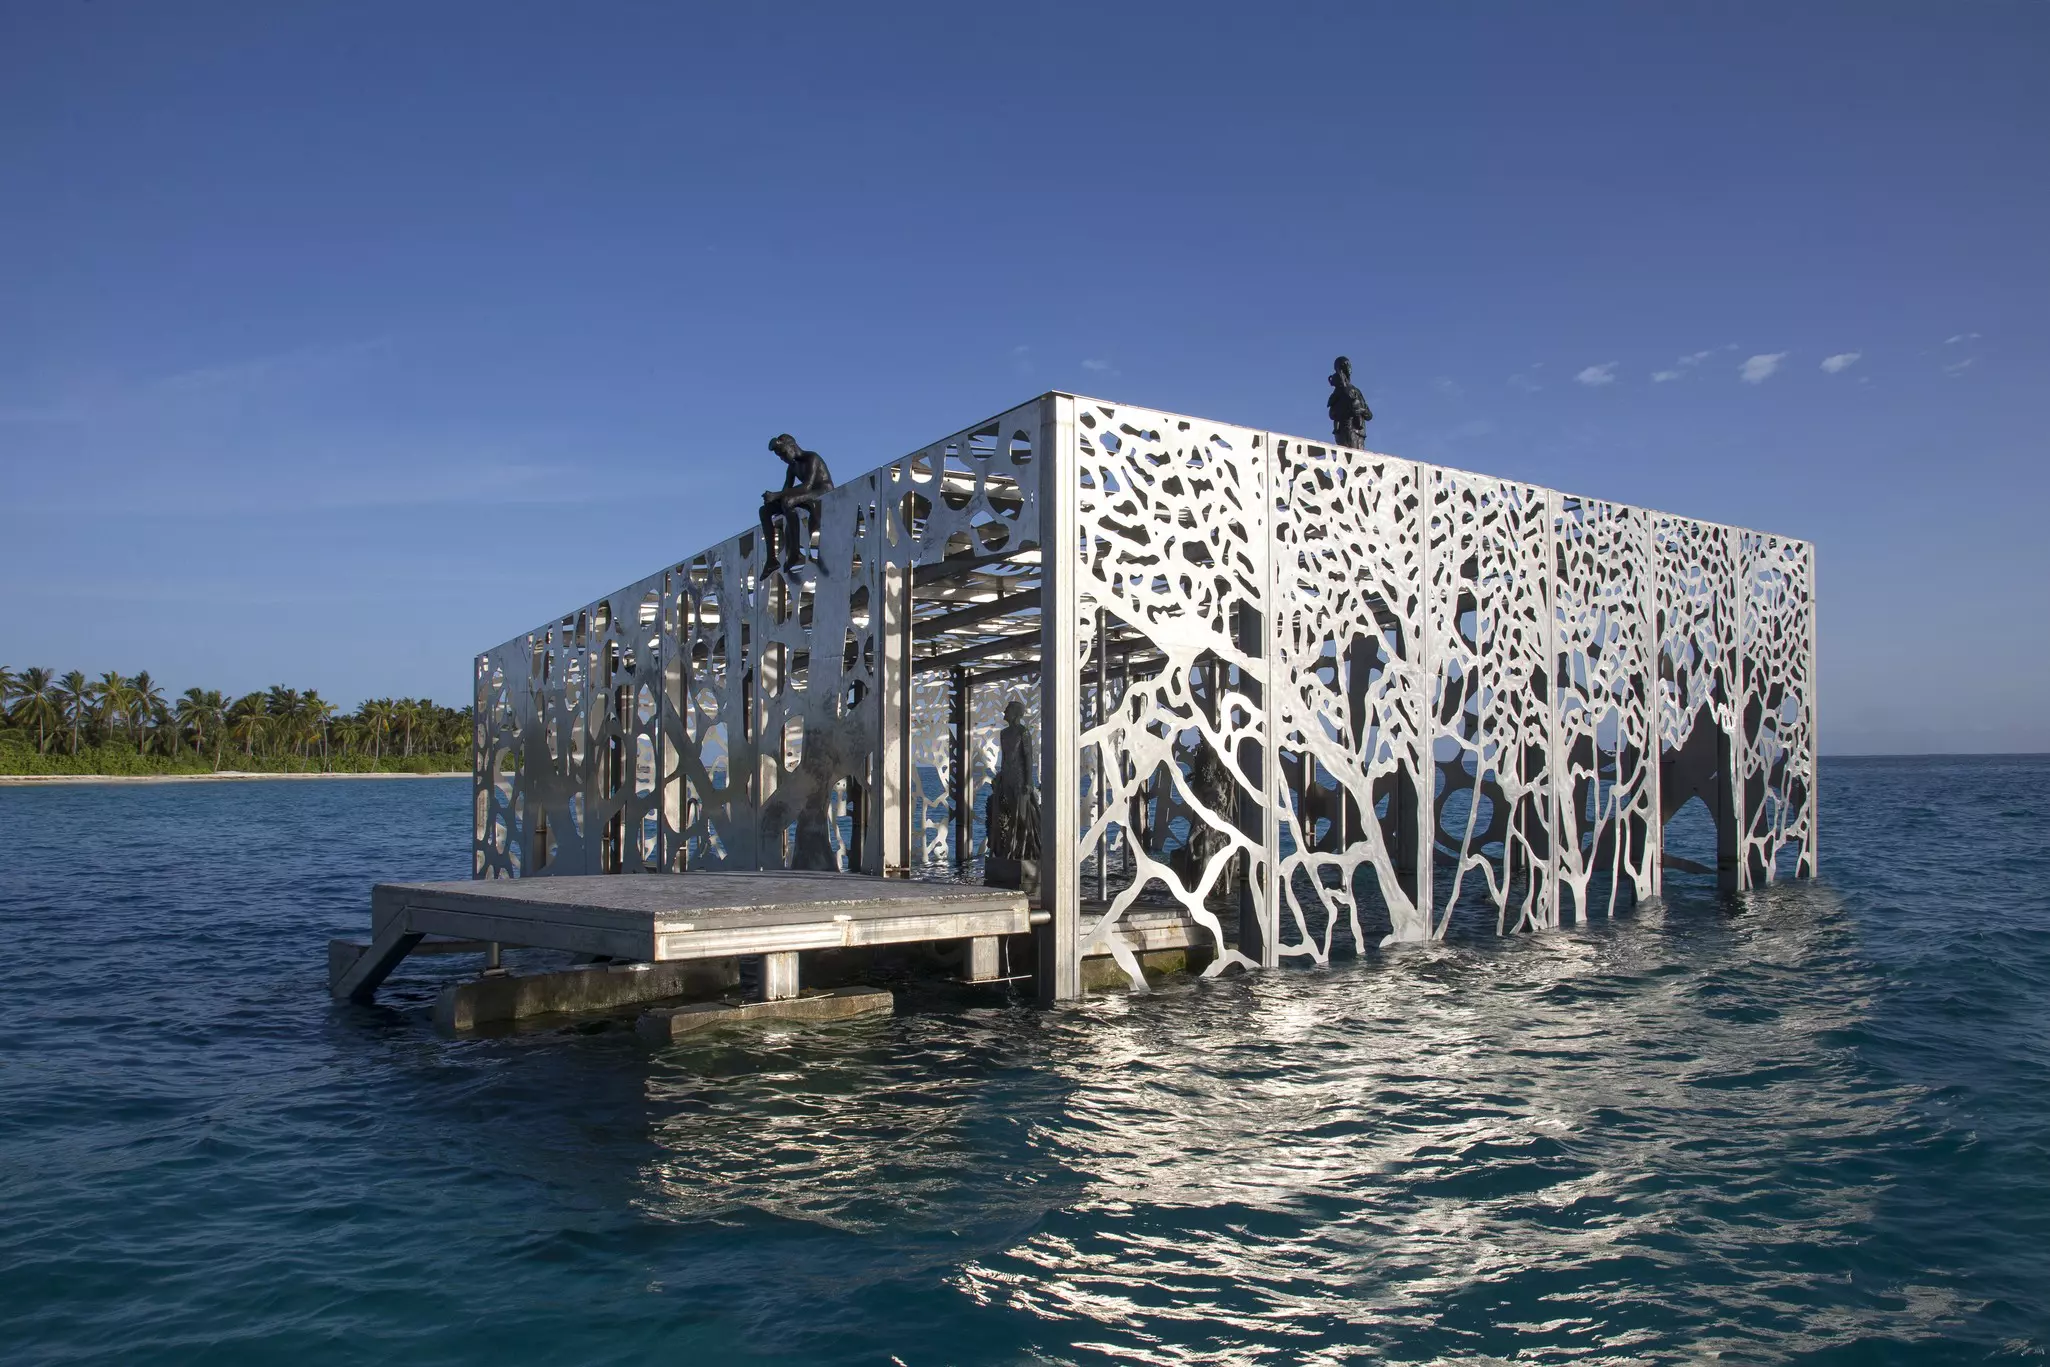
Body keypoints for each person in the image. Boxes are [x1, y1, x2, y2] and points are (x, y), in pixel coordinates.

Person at [759, 434, 834, 572]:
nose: (782, 458)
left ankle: (794, 552)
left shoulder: (812, 458)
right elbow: (786, 489)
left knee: (788, 502)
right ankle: (771, 559)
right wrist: (773, 499)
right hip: (806, 494)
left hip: (822, 490)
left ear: (792, 447)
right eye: (779, 457)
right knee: (764, 510)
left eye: (783, 453)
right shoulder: (792, 468)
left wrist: (777, 495)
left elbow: (807, 486)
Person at [987, 700, 1041, 862]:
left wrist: (1028, 781)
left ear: (1016, 713)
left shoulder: (1023, 732)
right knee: (1011, 814)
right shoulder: (1003, 733)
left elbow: (1028, 757)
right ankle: (1011, 849)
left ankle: (1025, 850)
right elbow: (1004, 758)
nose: (1004, 711)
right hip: (1008, 777)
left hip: (1019, 778)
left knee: (1022, 816)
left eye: (1008, 709)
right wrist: (1001, 777)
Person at [1327, 356, 1373, 450]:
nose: (1348, 369)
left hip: (1359, 433)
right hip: (1346, 432)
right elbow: (1332, 414)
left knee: (1359, 460)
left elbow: (1369, 415)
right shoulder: (1337, 393)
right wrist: (1348, 411)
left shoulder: (1355, 391)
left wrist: (1360, 410)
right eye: (1345, 366)